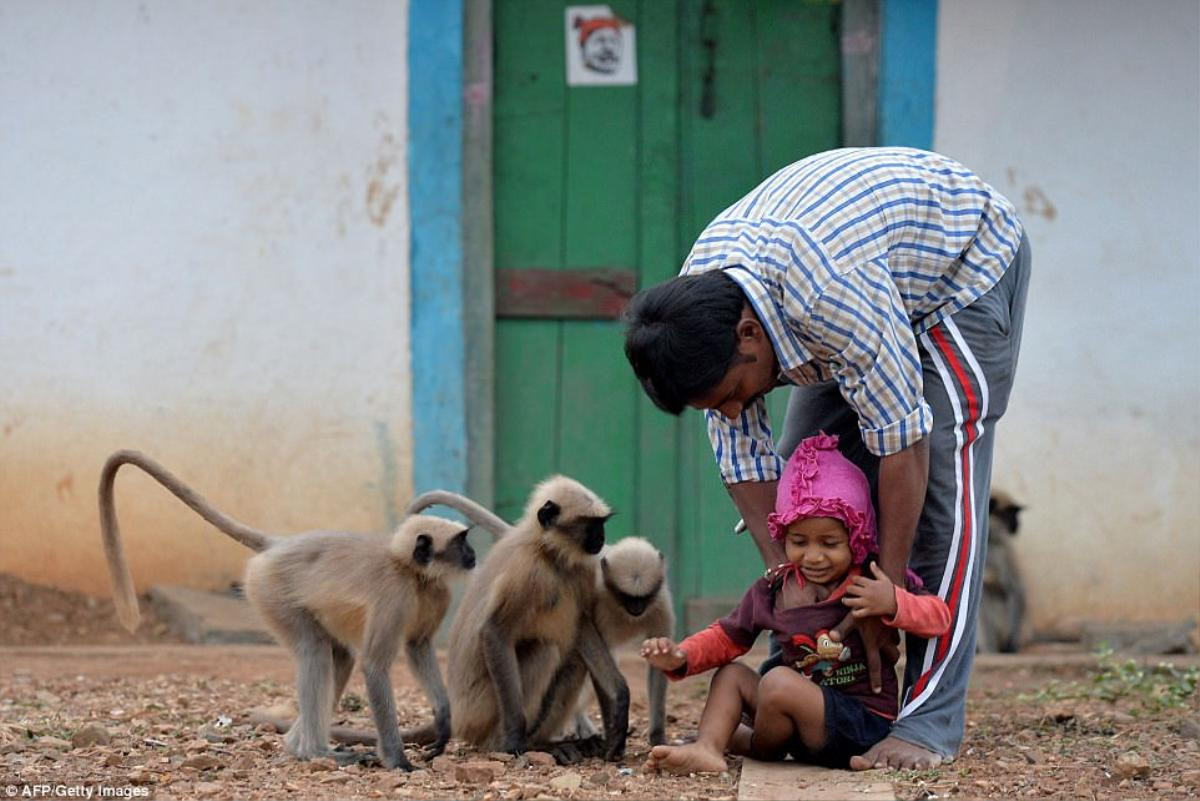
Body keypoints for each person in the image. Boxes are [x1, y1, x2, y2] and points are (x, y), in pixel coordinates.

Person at [623, 147, 1030, 769]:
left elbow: (903, 439)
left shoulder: (829, 294)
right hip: (854, 292)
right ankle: (822, 689)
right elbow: (744, 459)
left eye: (733, 394)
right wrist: (788, 589)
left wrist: (883, 591)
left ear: (749, 337)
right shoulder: (699, 305)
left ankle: (926, 722)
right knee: (807, 485)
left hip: (959, 274)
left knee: (943, 492)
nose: (733, 412)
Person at [640, 434, 950, 774]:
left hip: (859, 723)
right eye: (799, 542)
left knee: (777, 681)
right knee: (731, 675)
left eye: (830, 543)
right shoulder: (776, 589)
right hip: (789, 711)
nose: (814, 557)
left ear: (856, 536)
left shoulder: (871, 579)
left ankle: (751, 742)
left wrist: (894, 601)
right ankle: (708, 748)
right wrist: (681, 656)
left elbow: (939, 618)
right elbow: (727, 637)